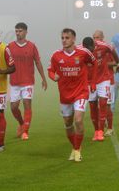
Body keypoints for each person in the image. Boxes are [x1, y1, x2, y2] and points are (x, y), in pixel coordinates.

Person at [48, 28, 96, 162]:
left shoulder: (83, 52)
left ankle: (77, 150)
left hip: (81, 92)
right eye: (62, 38)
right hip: (65, 95)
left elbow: (94, 63)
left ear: (74, 39)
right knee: (68, 124)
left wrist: (92, 81)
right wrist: (53, 76)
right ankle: (75, 148)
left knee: (78, 120)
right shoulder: (56, 55)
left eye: (67, 38)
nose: (64, 40)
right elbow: (50, 70)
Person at [8, 22, 47, 140]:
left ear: (25, 32)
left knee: (27, 104)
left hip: (28, 82)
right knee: (14, 107)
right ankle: (21, 123)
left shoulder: (32, 46)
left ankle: (25, 131)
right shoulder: (10, 46)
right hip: (14, 82)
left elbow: (38, 62)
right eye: (16, 31)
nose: (18, 33)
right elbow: (5, 62)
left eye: (20, 31)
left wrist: (43, 78)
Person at [89, 30, 119, 141]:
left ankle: (110, 128)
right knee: (97, 106)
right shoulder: (91, 49)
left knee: (106, 105)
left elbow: (115, 62)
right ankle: (100, 128)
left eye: (97, 37)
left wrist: (104, 63)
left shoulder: (107, 49)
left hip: (108, 79)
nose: (95, 39)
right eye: (94, 37)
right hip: (95, 80)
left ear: (103, 37)